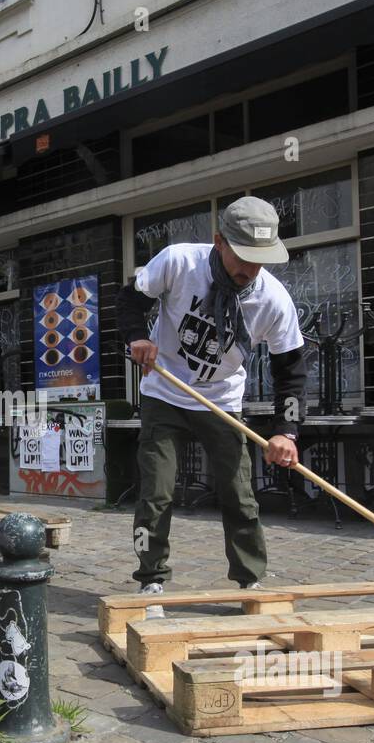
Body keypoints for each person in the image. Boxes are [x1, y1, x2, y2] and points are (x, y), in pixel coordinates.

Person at [117, 196, 308, 616]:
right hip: (164, 394)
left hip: (222, 401)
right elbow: (130, 300)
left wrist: (286, 431)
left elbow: (290, 372)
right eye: (242, 257)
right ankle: (150, 580)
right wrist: (137, 337)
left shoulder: (274, 301)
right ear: (219, 242)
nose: (249, 271)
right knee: (156, 492)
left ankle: (249, 579)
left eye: (260, 260)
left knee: (239, 493)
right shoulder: (179, 262)